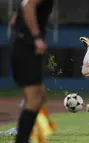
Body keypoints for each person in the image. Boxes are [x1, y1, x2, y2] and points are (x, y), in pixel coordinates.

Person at [9, 0, 53, 142]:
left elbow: (19, 12)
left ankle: (23, 138)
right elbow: (28, 6)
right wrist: (36, 37)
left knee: (39, 97)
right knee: (34, 99)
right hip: (26, 47)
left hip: (25, 46)